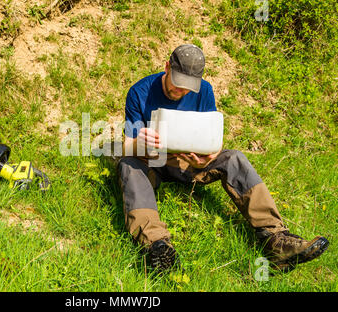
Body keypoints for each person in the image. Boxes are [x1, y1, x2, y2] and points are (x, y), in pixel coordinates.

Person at [118, 44, 329, 272]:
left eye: (188, 87)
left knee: (234, 158)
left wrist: (207, 159)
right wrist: (142, 142)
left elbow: (212, 141)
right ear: (167, 67)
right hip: (153, 162)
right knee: (127, 164)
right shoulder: (140, 92)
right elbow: (127, 146)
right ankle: (157, 245)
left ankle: (276, 239)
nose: (181, 91)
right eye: (177, 83)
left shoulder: (204, 91)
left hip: (190, 163)